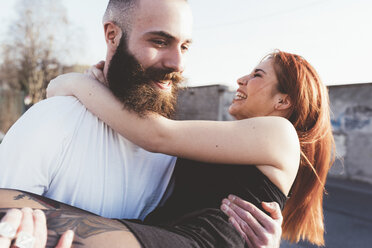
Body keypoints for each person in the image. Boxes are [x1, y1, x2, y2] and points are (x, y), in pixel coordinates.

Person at [0, 0, 282, 246]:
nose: (178, 63)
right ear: (112, 35)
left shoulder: (174, 154)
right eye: (159, 42)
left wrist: (70, 81)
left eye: (184, 46)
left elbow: (155, 135)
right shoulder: (54, 120)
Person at [45, 49, 335, 247]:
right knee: (15, 210)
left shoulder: (280, 133)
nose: (241, 79)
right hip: (166, 234)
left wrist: (72, 83)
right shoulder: (243, 139)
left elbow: (156, 135)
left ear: (282, 101)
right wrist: (107, 85)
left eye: (257, 75)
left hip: (195, 241)